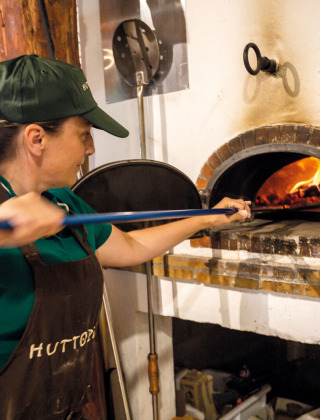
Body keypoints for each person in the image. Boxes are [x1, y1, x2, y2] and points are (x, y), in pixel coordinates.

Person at [0, 54, 251, 420]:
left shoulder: (65, 203)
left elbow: (132, 246)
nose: (91, 150)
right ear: (37, 138)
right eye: (84, 134)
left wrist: (207, 218)